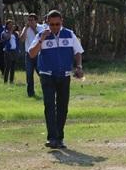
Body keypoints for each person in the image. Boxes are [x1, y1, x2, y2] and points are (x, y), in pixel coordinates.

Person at [28, 10, 84, 149]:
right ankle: (52, 138)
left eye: (57, 24)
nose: (54, 27)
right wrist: (41, 40)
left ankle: (60, 138)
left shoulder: (69, 34)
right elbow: (31, 54)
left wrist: (79, 66)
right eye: (51, 24)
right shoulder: (42, 35)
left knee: (62, 107)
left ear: (62, 21)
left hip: (64, 75)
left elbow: (78, 51)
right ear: (47, 22)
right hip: (47, 75)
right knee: (49, 106)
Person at [19, 13, 44, 97]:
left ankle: (46, 90)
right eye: (29, 20)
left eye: (32, 20)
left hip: (39, 54)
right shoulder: (26, 28)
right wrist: (26, 28)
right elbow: (22, 39)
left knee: (41, 73)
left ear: (36, 20)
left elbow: (42, 38)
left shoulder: (41, 28)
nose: (30, 22)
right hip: (28, 54)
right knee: (29, 74)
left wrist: (34, 29)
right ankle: (30, 93)